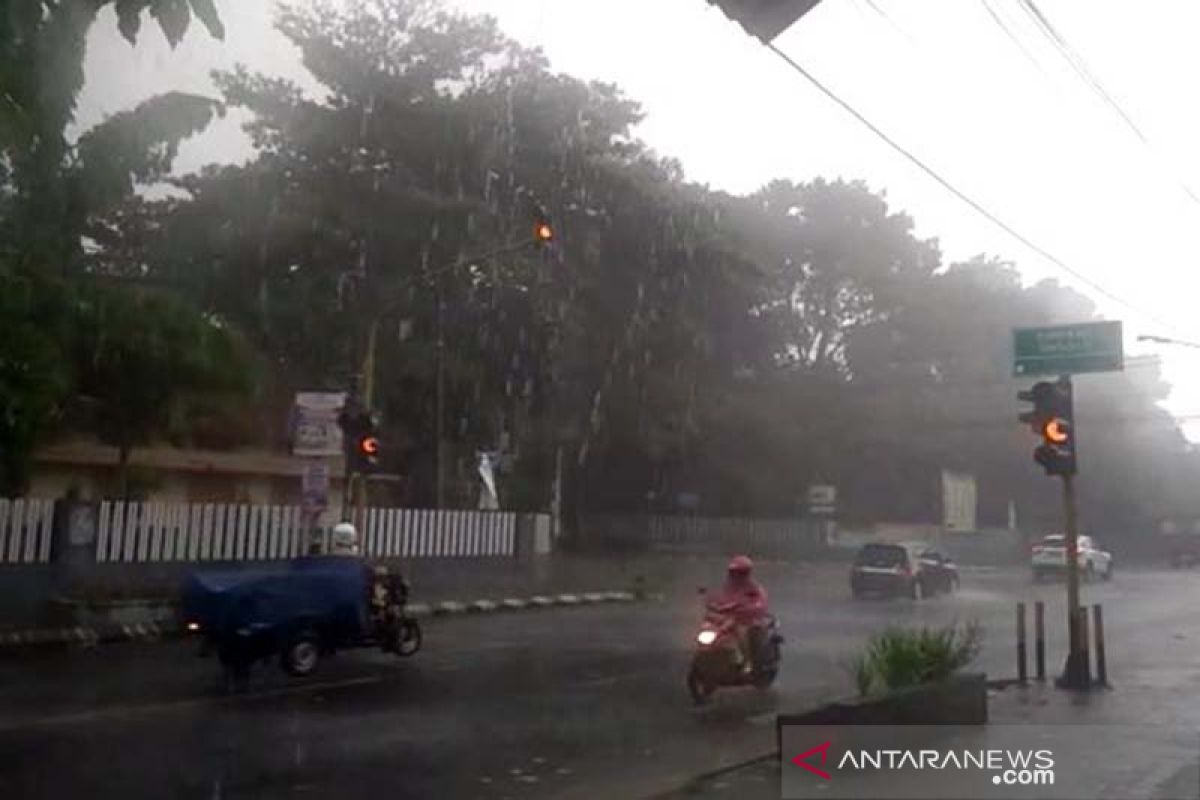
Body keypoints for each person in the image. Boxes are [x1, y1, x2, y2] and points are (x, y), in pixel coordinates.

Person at [712, 555, 769, 674]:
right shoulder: (727, 586)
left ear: (746, 573)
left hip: (750, 620)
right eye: (734, 572)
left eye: (739, 572)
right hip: (731, 619)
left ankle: (747, 663)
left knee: (741, 633)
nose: (736, 575)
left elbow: (761, 603)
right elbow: (717, 598)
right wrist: (712, 604)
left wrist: (750, 608)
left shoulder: (754, 588)